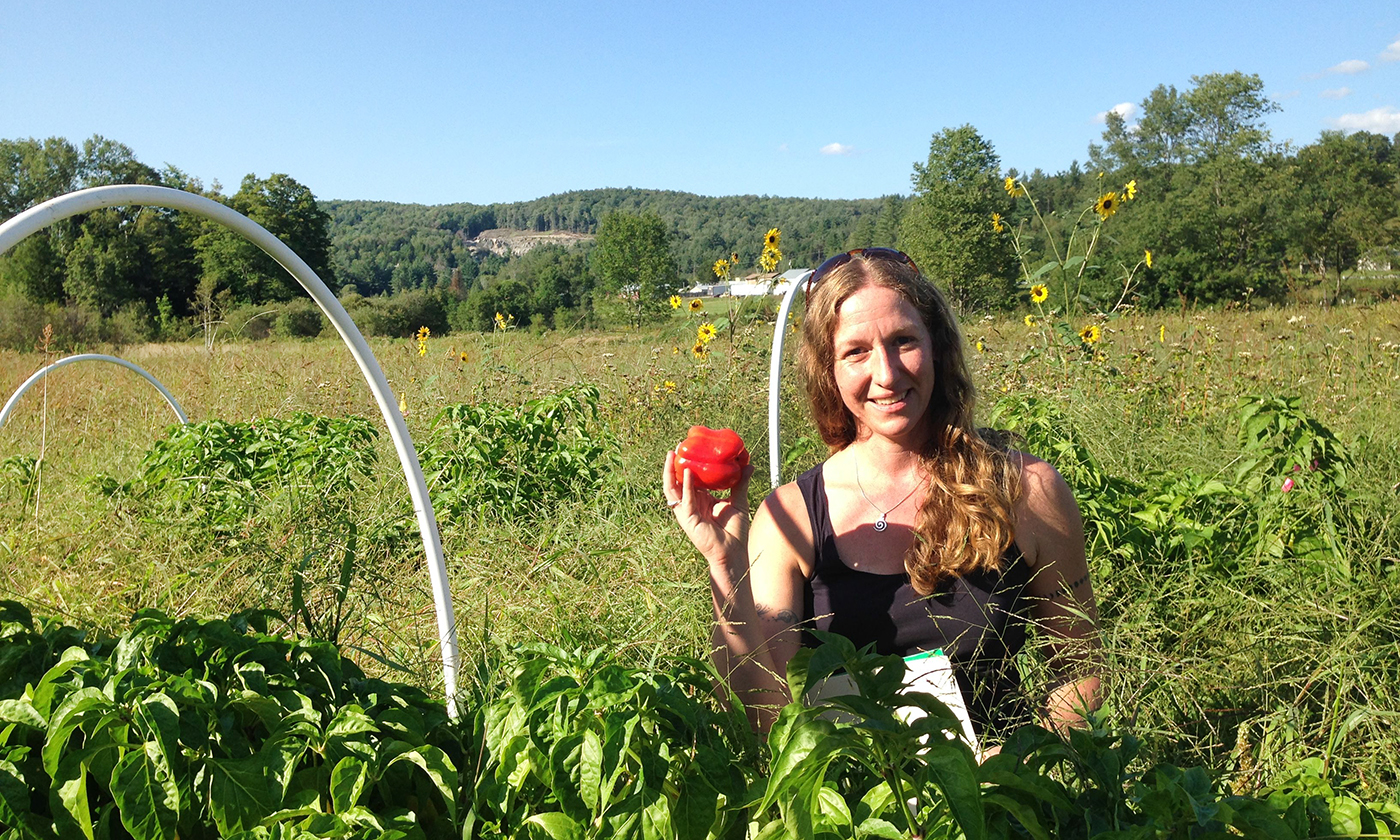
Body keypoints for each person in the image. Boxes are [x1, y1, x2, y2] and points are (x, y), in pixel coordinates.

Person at [662, 248, 1101, 742]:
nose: (887, 374)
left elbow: (1080, 668)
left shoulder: (1025, 489)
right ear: (828, 370)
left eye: (903, 340)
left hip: (1000, 806)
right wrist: (725, 566)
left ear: (936, 345)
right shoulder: (791, 517)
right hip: (850, 810)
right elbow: (767, 723)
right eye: (856, 352)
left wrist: (1017, 768)